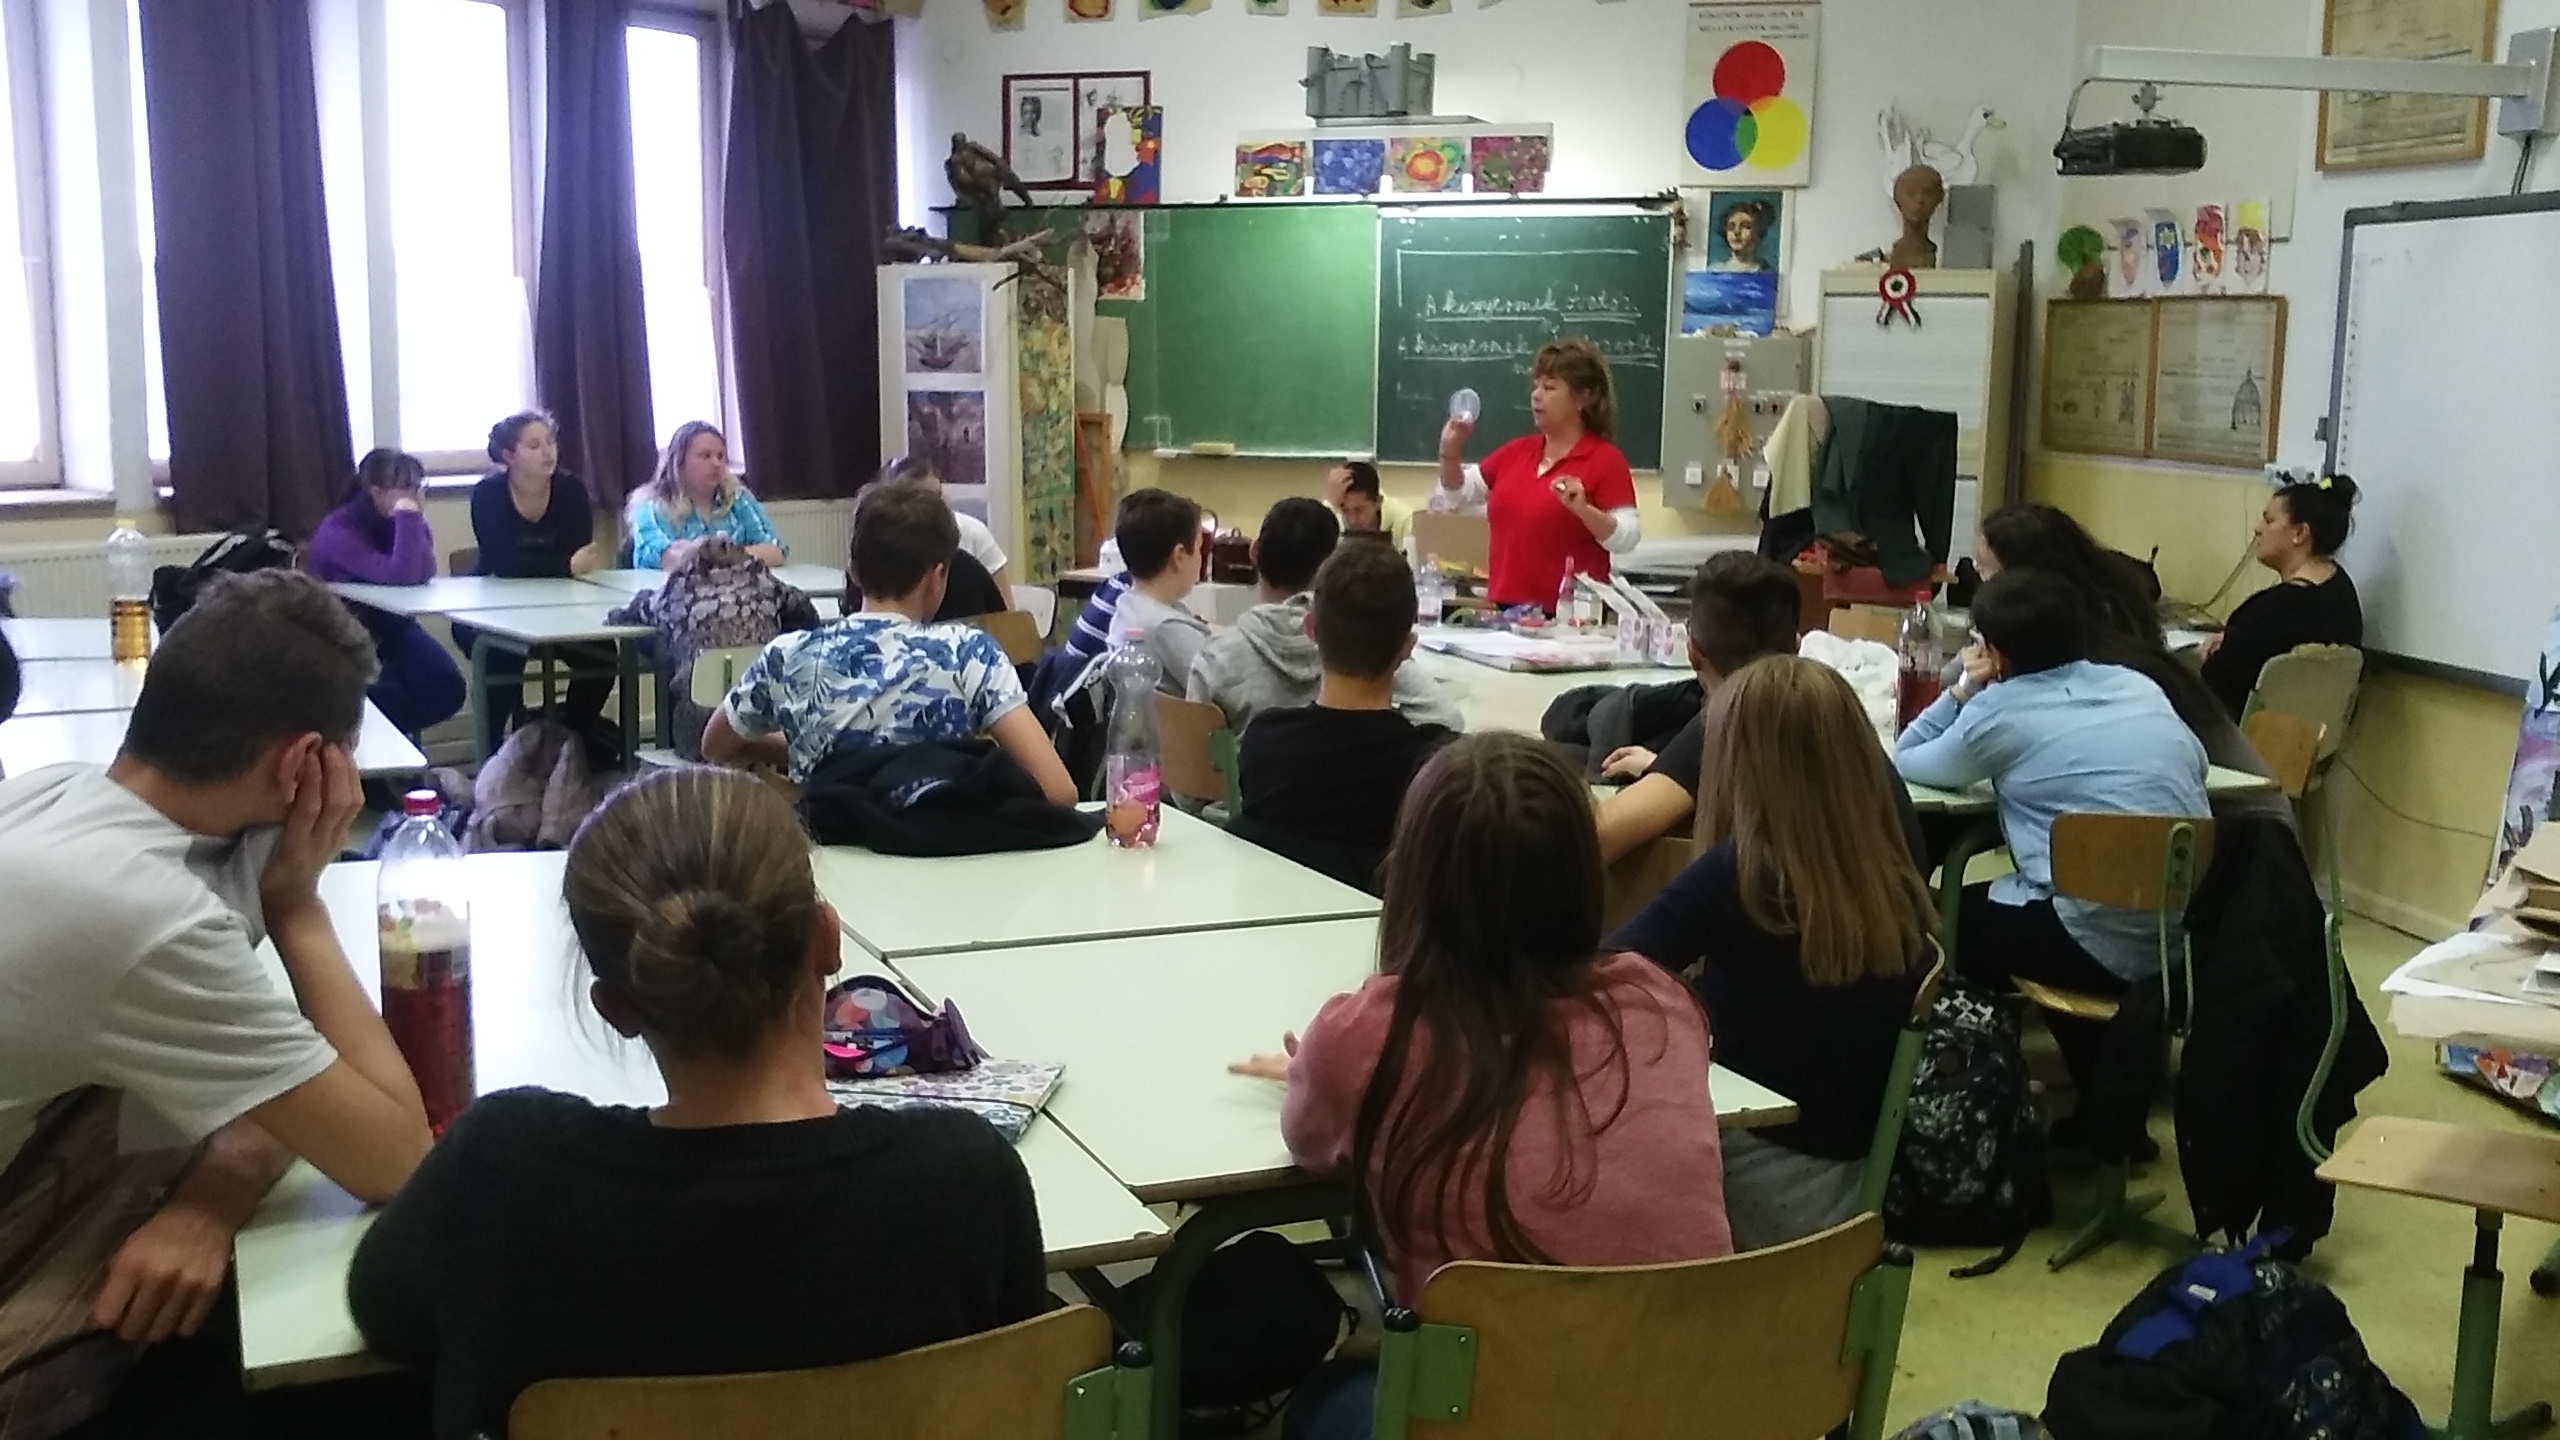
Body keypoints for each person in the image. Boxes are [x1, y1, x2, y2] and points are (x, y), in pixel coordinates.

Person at [348, 769, 1047, 1440]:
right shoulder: (966, 1184)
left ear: (616, 1008)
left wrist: (299, 914)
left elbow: (385, 1311)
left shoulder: (501, 1173)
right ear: (827, 941)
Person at [0, 572, 431, 1428]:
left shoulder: (59, 794)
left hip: (43, 1166)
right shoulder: (145, 918)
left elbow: (265, 1060)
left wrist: (218, 1191)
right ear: (303, 766)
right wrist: (298, 906)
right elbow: (396, 1158)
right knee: (381, 1366)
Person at [1234, 732, 1730, 1440]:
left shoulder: (1371, 1037)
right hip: (1689, 1401)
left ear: (1414, 878)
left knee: (1327, 1396)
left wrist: (1321, 1068)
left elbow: (1311, 1145)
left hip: (1500, 1411)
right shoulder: (1658, 1001)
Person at [1610, 657, 1934, 1251]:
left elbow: (1606, 979)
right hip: (1849, 1190)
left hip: (1751, 1177)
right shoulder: (1894, 879)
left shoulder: (1741, 874)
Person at [1892, 569, 2208, 1097]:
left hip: (2089, 937)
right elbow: (2197, 764)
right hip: (2183, 933)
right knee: (2047, 902)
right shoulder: (2137, 684)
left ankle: (1981, 1079)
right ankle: (2104, 1094)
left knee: (1929, 925)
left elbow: (1908, 758)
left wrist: (1963, 689)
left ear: (1994, 653)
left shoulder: (1999, 710)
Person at [702, 477, 1076, 803]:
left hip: (826, 853)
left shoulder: (788, 655)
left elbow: (714, 746)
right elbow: (1059, 791)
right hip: (935, 851)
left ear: (853, 571)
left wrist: (807, 748)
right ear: (936, 577)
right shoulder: (969, 653)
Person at [1975, 503, 2291, 831]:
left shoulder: (2105, 672)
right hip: (2193, 832)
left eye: (1987, 572)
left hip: (2240, 839)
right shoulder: (2104, 642)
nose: (1980, 587)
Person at [1594, 552, 1923, 866]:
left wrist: (1673, 773)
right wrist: (1670, 768)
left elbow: (1597, 841)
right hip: (1900, 901)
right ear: (1797, 645)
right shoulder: (1834, 704)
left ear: (1692, 652)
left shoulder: (1735, 713)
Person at [1227, 540, 1457, 892]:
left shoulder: (1264, 742)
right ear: (1407, 648)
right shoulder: (1430, 767)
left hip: (1274, 915)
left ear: (1310, 629)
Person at [1185, 499, 1460, 737]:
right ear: (1333, 566)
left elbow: (1191, 770)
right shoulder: (1359, 643)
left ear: (1254, 551)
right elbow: (1446, 720)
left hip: (1246, 783)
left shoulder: (1216, 657)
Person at [1430, 338, 1641, 610]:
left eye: (1550, 387)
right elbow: (1457, 494)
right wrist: (1450, 452)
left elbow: (1627, 538)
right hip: (1505, 611)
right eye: (1536, 385)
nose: (1536, 395)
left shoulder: (1604, 460)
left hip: (1569, 618)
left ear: (1583, 398)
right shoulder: (1517, 451)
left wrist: (1584, 510)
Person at [459, 410, 615, 760]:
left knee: (605, 655)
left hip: (560, 610)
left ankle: (568, 741)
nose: (548, 452)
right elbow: (503, 564)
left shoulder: (572, 490)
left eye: (550, 442)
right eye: (534, 445)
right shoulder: (488, 494)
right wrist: (562, 565)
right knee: (501, 657)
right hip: (495, 611)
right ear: (509, 455)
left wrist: (557, 566)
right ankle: (491, 759)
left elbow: (581, 557)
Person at [305, 448, 468, 738]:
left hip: (390, 624)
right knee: (379, 691)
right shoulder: (337, 531)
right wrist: (407, 517)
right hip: (340, 633)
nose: (415, 495)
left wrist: (411, 521)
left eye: (418, 486)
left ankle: (375, 733)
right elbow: (400, 574)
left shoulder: (402, 521)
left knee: (447, 686)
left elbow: (424, 570)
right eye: (406, 487)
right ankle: (360, 734)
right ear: (377, 492)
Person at [2200, 475, 2364, 721]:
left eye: (2269, 520)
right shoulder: (2342, 594)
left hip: (2249, 738)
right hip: (2313, 739)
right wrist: (2235, 637)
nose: (2257, 528)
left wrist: (2225, 646)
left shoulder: (2268, 610)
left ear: (2299, 533)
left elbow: (2217, 682)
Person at [626, 421, 787, 572]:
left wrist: (708, 554)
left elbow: (776, 551)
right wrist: (735, 554)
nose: (716, 464)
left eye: (720, 456)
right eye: (705, 456)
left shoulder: (739, 499)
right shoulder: (651, 506)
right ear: (679, 462)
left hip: (735, 589)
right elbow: (663, 557)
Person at [1103, 487, 1210, 689]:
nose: (1201, 557)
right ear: (1179, 556)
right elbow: (1226, 690)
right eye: (1199, 548)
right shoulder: (1165, 629)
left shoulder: (1128, 605)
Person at [879, 455, 1015, 601]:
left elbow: (1007, 608)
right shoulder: (882, 544)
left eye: (939, 494)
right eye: (925, 500)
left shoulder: (972, 532)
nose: (939, 505)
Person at [1323, 459, 1413, 552]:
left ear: (1378, 501)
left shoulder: (1403, 518)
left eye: (1359, 510)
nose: (1352, 520)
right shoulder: (1331, 513)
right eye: (1345, 510)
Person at [1709, 198, 1776, 273]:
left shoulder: (1765, 272)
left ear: (1759, 232)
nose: (1736, 232)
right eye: (1731, 227)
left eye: (1745, 226)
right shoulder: (1715, 271)